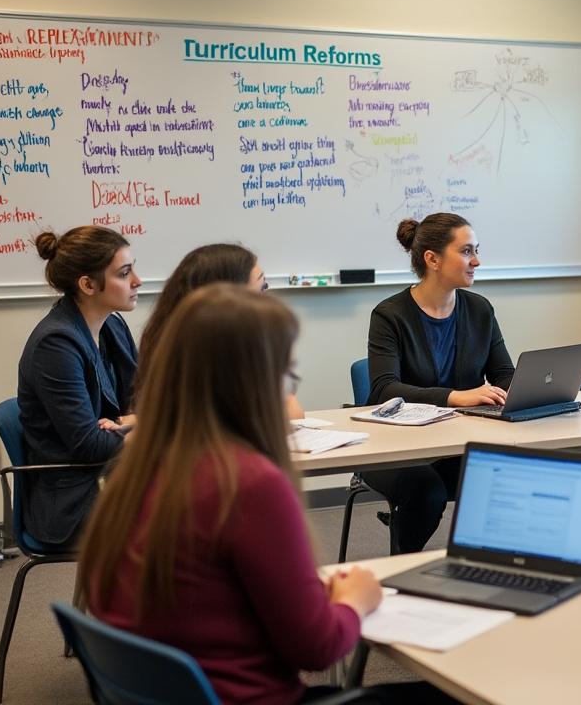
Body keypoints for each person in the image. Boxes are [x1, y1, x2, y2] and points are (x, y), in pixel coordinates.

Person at [77, 285, 443, 704]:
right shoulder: (248, 484)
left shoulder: (140, 467)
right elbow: (318, 649)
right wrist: (354, 602)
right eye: (288, 375)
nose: (291, 391)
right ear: (256, 383)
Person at [362, 213, 514, 553]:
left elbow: (504, 373)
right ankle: (402, 567)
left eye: (476, 250)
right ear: (432, 259)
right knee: (426, 492)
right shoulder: (389, 315)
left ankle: (490, 573)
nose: (477, 261)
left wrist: (523, 391)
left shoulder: (479, 310)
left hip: (458, 443)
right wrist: (456, 396)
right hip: (395, 451)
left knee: (506, 474)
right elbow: (384, 389)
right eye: (466, 251)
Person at [17, 225, 141, 546]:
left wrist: (131, 424)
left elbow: (143, 402)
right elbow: (89, 445)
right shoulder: (56, 344)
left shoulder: (112, 325)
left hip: (111, 474)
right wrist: (144, 429)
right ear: (87, 284)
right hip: (73, 499)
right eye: (124, 273)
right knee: (192, 511)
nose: (137, 281)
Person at [138, 243, 304, 419]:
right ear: (228, 297)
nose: (267, 300)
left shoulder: (171, 342)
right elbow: (287, 416)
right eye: (261, 288)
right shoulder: (216, 354)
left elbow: (289, 410)